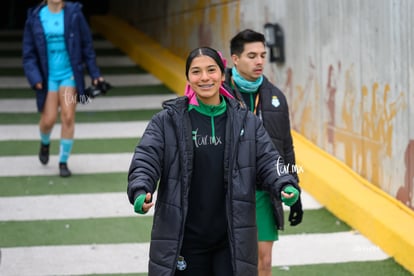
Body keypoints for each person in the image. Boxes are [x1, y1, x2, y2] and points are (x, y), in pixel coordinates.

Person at [127, 46, 300, 276]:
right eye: (196, 72)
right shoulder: (167, 121)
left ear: (222, 73)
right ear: (188, 77)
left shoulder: (246, 122)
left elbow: (269, 160)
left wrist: (285, 183)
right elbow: (146, 158)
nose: (205, 78)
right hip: (184, 238)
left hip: (231, 239)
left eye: (211, 70)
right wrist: (141, 189)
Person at [223, 29, 304, 276]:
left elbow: (285, 147)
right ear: (235, 59)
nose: (259, 61)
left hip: (263, 189)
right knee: (228, 259)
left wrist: (294, 186)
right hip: (227, 190)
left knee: (264, 261)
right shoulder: (218, 95)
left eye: (262, 55)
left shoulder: (275, 96)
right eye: (251, 55)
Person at [22, 0, 105, 177]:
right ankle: (45, 143)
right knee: (48, 120)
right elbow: (28, 54)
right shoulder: (35, 17)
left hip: (69, 75)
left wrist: (95, 73)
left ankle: (63, 161)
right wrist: (35, 78)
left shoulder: (74, 13)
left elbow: (86, 46)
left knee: (68, 116)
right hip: (48, 77)